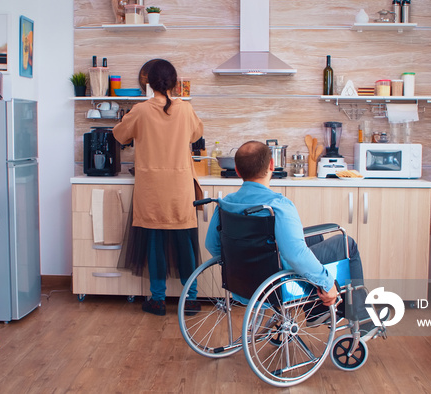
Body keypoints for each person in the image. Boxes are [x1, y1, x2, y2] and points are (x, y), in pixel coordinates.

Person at [205, 141, 377, 337]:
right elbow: (295, 255)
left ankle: (317, 311)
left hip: (243, 282)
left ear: (236, 170)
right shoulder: (278, 205)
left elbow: (212, 245)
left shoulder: (225, 204)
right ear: (272, 165)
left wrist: (241, 264)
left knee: (314, 238)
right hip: (278, 283)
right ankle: (363, 317)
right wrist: (327, 283)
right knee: (347, 244)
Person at [113, 59, 203, 316]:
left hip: (151, 189)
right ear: (174, 83)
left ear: (149, 83)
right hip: (179, 188)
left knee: (154, 242)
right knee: (185, 243)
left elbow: (119, 135)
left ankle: (158, 299)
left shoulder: (140, 110)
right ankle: (192, 299)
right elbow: (196, 135)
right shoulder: (185, 109)